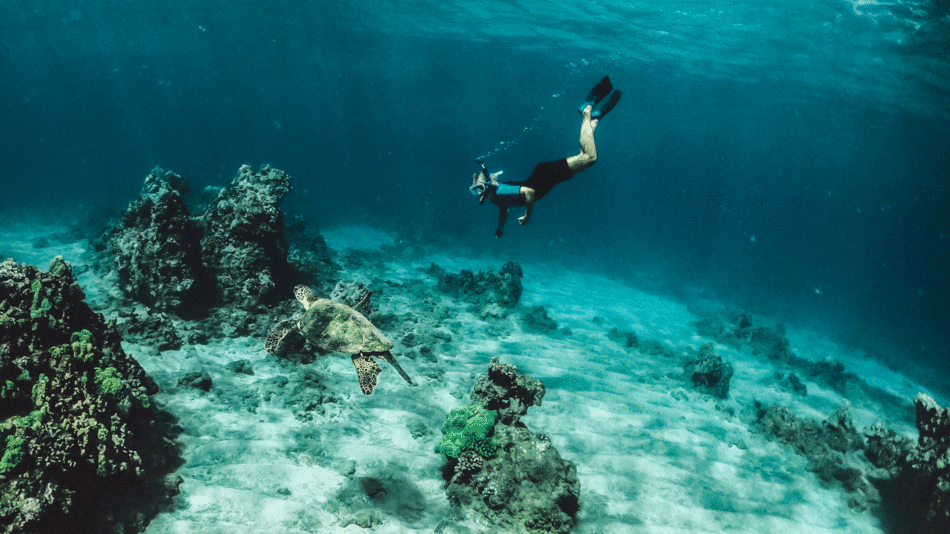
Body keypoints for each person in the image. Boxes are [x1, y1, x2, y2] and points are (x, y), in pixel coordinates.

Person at [470, 76, 621, 238]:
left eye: (480, 187)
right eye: (476, 190)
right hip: (548, 178)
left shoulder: (499, 191)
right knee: (584, 156)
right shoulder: (495, 199)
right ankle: (593, 120)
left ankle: (587, 111)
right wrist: (500, 227)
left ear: (486, 183)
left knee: (590, 157)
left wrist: (528, 215)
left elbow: (529, 192)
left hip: (546, 175)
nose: (479, 192)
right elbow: (504, 209)